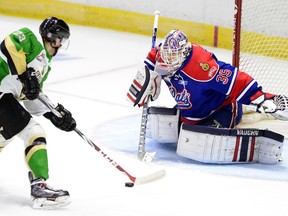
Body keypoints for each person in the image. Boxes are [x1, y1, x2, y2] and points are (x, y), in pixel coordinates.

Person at [127, 29, 286, 164]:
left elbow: (235, 80)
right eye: (166, 55)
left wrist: (262, 99)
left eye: (173, 56)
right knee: (163, 128)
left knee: (199, 141)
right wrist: (146, 81)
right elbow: (149, 66)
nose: (168, 60)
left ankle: (243, 110)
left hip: (221, 109)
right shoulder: (160, 56)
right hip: (191, 110)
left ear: (184, 53)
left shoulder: (203, 67)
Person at [0, 17, 76, 209]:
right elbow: (9, 44)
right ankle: (39, 186)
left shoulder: (45, 66)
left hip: (5, 99)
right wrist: (25, 75)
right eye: (60, 40)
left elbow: (32, 96)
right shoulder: (31, 37)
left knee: (4, 138)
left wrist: (54, 114)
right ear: (53, 38)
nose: (60, 45)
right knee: (33, 132)